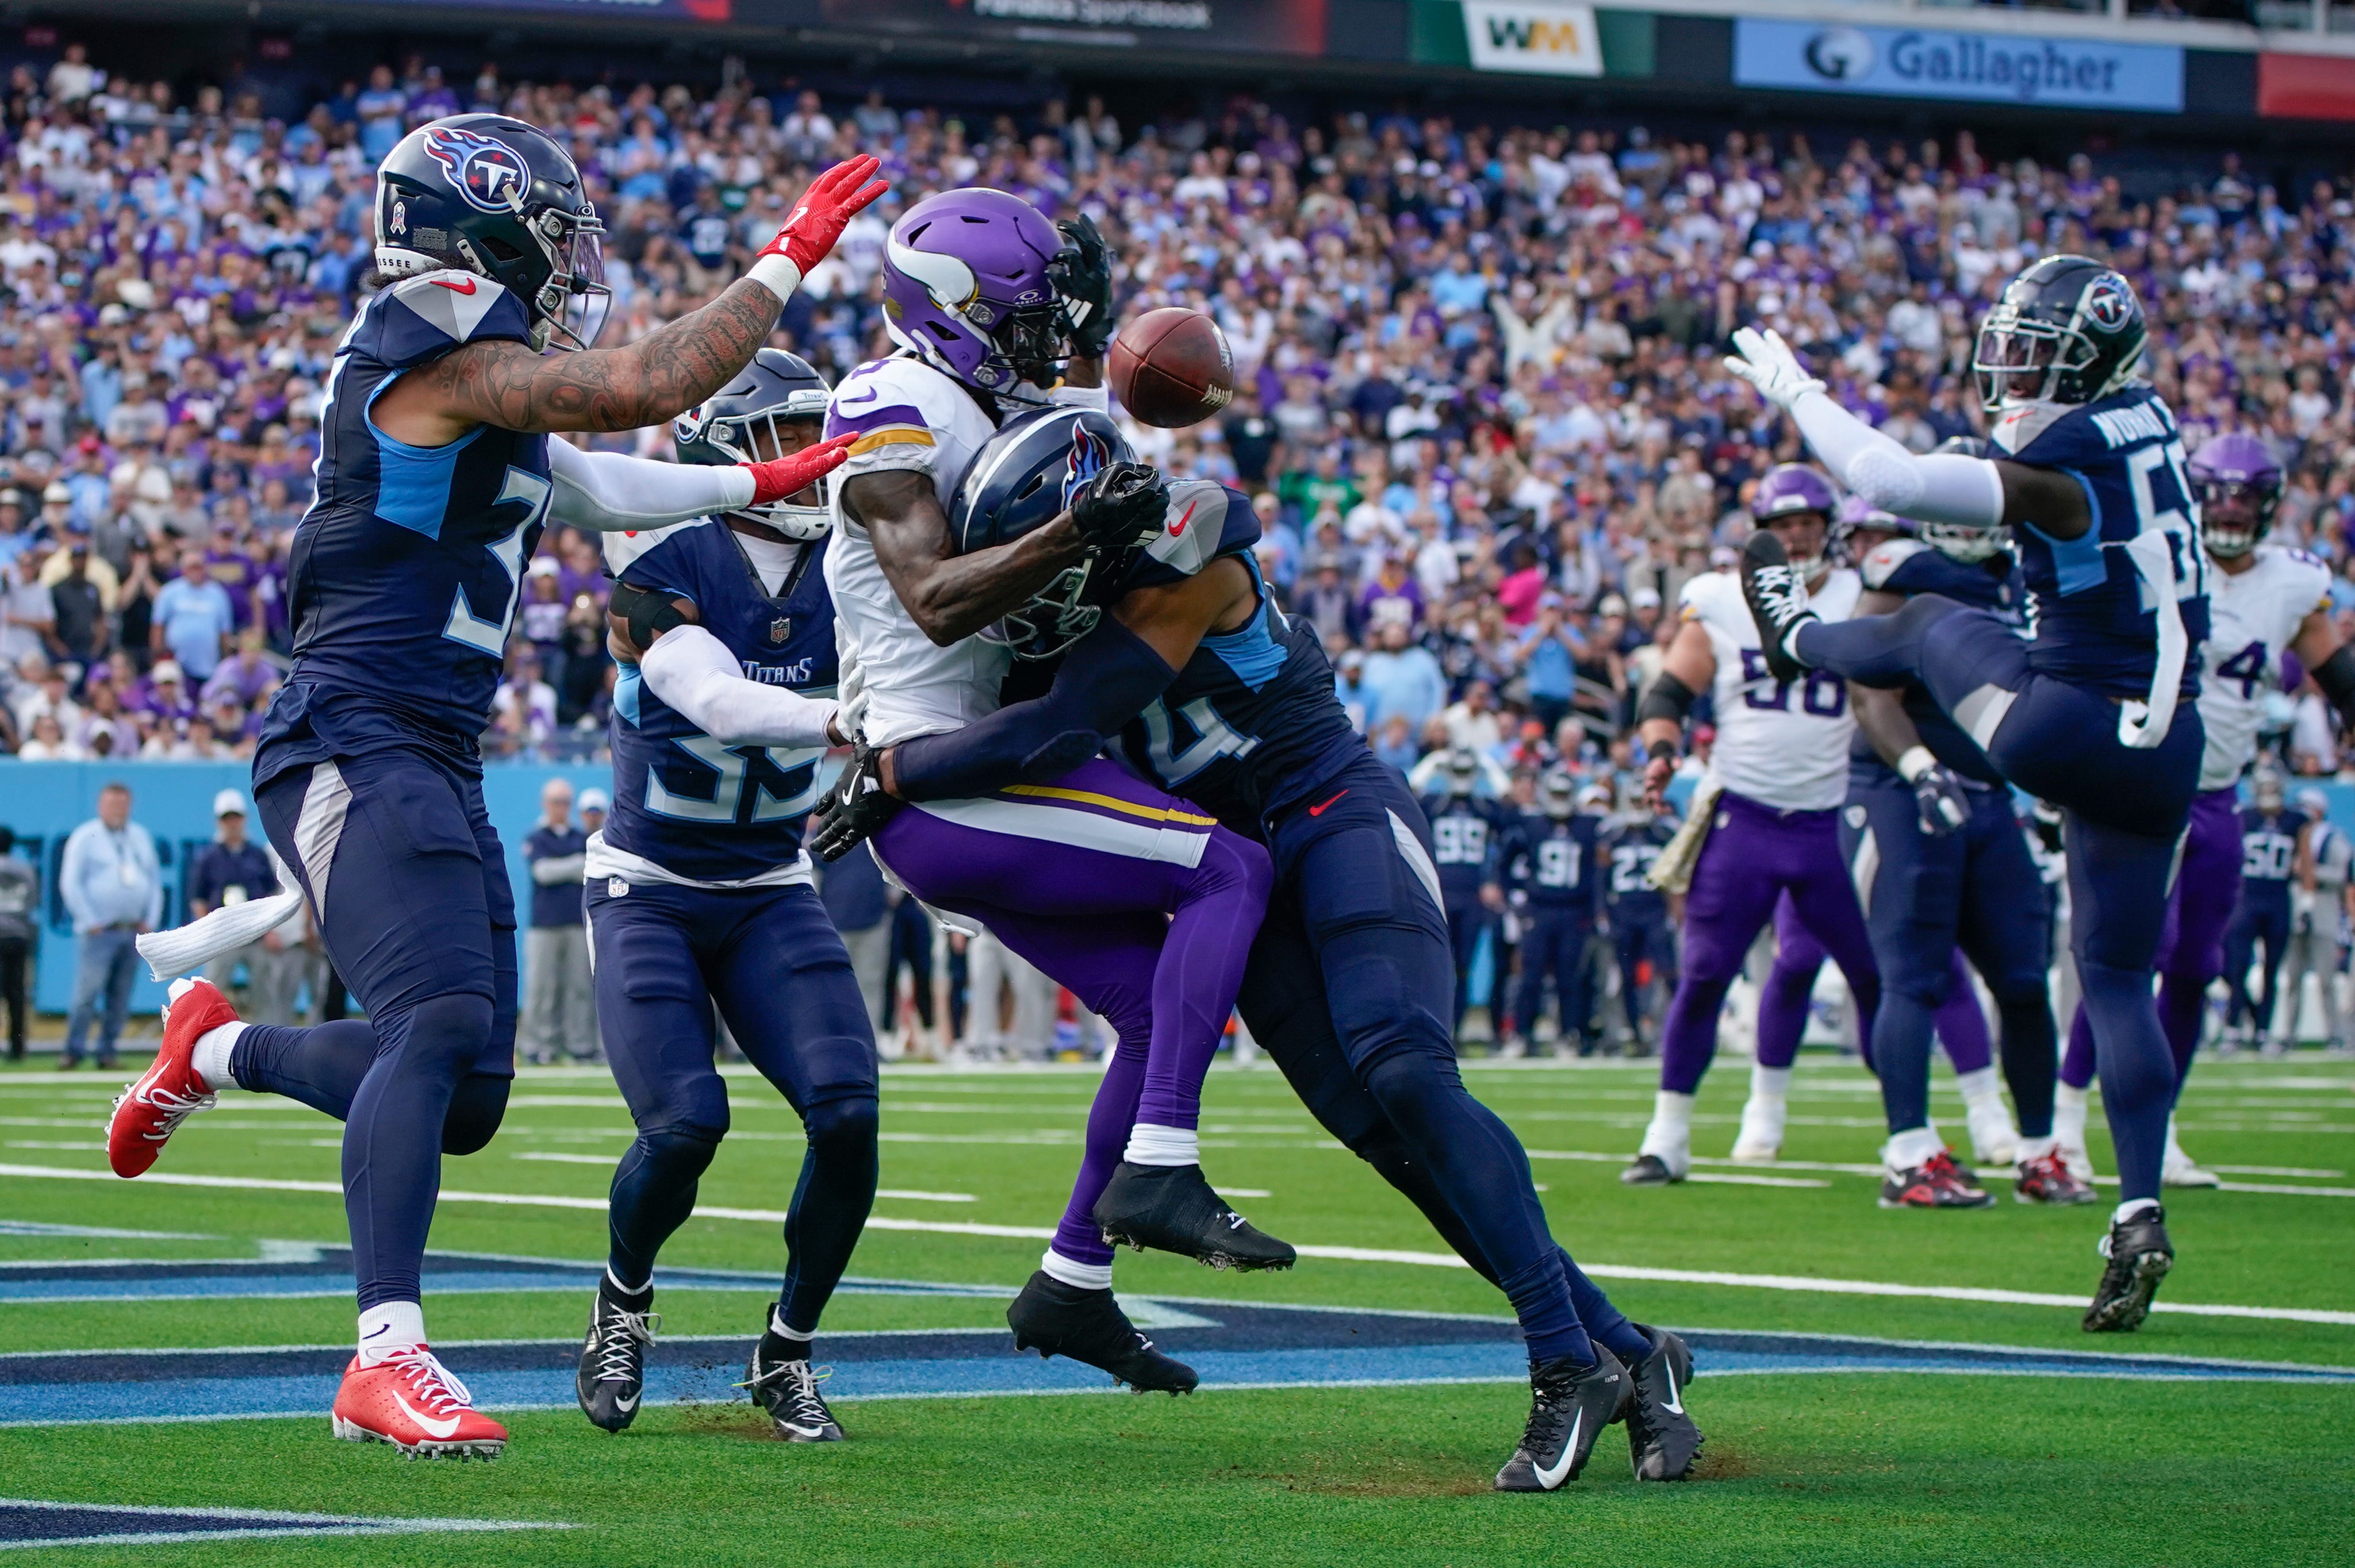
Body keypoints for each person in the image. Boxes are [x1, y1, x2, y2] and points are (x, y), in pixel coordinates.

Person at [103, 115, 883, 1458]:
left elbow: (591, 478)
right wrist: (786, 255)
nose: (571, 260)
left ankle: (213, 1047)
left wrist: (763, 473)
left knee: (466, 1095)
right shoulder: (429, 347)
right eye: (554, 232)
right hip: (352, 729)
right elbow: (636, 387)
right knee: (440, 1014)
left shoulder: (482, 385)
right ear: (478, 233)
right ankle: (383, 1356)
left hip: (437, 748)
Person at [819, 462, 1700, 1492]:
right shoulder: (1030, 628)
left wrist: (890, 773)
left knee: (1406, 1070)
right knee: (1379, 1132)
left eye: (1046, 555)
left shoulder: (1180, 558)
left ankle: (1562, 1354)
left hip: (1333, 813)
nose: (1030, 592)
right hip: (1250, 870)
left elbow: (1056, 725)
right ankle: (1626, 1349)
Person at [1726, 256, 2208, 1331]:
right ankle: (2136, 1206)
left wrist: (1800, 392)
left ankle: (1797, 634)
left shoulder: (2068, 457)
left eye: (2037, 355)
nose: (2014, 372)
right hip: (2169, 745)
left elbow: (1893, 483)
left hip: (2068, 720)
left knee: (1913, 627)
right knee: (2118, 982)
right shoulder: (2153, 424)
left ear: (2091, 364)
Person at [576, 348, 878, 1444]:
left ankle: (785, 1351)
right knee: (686, 1120)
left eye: (815, 434)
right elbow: (715, 698)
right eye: (779, 435)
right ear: (718, 442)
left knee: (847, 1114)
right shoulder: (662, 559)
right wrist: (847, 721)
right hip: (651, 888)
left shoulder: (859, 564)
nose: (805, 460)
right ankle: (623, 1299)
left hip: (767, 886)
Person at [2051, 433, 2355, 1179]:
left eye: (2243, 496)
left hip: (2220, 797)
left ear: (2269, 503)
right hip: (2139, 789)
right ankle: (2062, 1125)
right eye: (2215, 492)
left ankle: (2160, 1129)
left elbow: (2336, 670)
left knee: (2194, 969)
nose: (2227, 508)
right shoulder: (2153, 556)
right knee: (2127, 962)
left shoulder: (2292, 582)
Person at [1813, 482, 2077, 1205]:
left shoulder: (2020, 575)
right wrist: (1920, 770)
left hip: (1990, 799)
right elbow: (1869, 689)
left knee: (2024, 982)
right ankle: (1908, 1153)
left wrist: (2054, 783)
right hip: (1902, 795)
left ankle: (2038, 1149)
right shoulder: (1903, 569)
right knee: (1913, 977)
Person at [1623, 464, 1881, 1188]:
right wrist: (1661, 751)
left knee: (1872, 973)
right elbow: (1671, 687)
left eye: (1808, 523)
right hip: (1744, 815)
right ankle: (1666, 1134)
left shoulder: (1862, 594)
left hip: (1833, 819)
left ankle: (1910, 1138)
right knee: (1704, 973)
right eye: (1783, 526)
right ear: (1761, 536)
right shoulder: (1721, 599)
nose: (1797, 537)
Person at [1503, 772, 1604, 1058]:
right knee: (1530, 976)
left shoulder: (1587, 826)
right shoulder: (1532, 825)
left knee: (1569, 978)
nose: (1560, 802)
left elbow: (1598, 868)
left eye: (1564, 795)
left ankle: (1568, 1035)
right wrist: (1514, 895)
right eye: (1556, 795)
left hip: (1573, 910)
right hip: (1540, 909)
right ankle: (1522, 1034)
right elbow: (1505, 860)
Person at [60, 781, 159, 1069]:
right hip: (100, 930)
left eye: (122, 804)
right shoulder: (85, 837)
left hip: (132, 930)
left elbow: (153, 882)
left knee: (121, 995)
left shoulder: (139, 836)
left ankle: (107, 1051)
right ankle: (74, 1050)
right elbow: (70, 882)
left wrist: (150, 919)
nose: (117, 809)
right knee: (87, 993)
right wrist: (89, 920)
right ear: (100, 806)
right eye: (112, 804)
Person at [1411, 747, 1508, 1040]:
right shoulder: (1435, 804)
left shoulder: (1484, 807)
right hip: (1438, 893)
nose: (1463, 778)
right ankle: (1433, 1028)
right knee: (1433, 965)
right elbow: (1410, 791)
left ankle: (1457, 1031)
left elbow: (1510, 800)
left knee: (1463, 967)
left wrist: (1489, 763)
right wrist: (1432, 762)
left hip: (1472, 896)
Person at [2219, 772, 2299, 1051]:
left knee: (2271, 972)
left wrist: (2308, 896)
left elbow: (2305, 861)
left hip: (2278, 901)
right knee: (2236, 967)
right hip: (2246, 900)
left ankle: (2263, 1030)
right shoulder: (2244, 817)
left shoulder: (2295, 820)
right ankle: (2234, 1028)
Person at [186, 790, 282, 1018]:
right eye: (226, 819)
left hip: (255, 935)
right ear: (219, 822)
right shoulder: (209, 857)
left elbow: (271, 895)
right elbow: (198, 899)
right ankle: (205, 1040)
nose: (232, 824)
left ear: (244, 819)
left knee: (265, 995)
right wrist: (208, 933)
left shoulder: (257, 854)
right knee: (211, 991)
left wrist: (269, 930)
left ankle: (265, 1044)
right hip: (223, 937)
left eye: (236, 818)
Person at [520, 777, 595, 1064]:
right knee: (542, 989)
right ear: (545, 804)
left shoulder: (581, 837)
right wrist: (575, 864)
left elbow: (586, 869)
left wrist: (568, 866)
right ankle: (539, 1046)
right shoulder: (537, 837)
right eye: (556, 802)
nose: (561, 807)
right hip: (544, 925)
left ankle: (580, 1046)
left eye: (565, 802)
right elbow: (543, 872)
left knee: (580, 988)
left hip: (577, 923)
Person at [2276, 788, 2353, 1055]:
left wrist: (2310, 871)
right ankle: (2288, 1033)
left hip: (2323, 912)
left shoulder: (2334, 838)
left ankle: (2335, 1034)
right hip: (2295, 910)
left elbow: (2342, 874)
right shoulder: (2290, 836)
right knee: (2292, 978)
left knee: (2326, 978)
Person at [1601, 795, 1679, 1056]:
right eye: (1633, 801)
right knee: (1626, 977)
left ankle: (1674, 1033)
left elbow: (1677, 876)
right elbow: (1600, 879)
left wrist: (1675, 909)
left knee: (1668, 974)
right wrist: (1602, 912)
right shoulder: (1612, 836)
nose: (1637, 808)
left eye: (1641, 802)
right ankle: (1634, 1034)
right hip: (1623, 914)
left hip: (1655, 912)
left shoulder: (1664, 834)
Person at [0, 825, 35, 1061]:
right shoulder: (24, 870)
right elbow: (33, 899)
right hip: (18, 935)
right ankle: (17, 1046)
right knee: (16, 993)